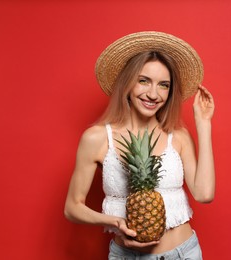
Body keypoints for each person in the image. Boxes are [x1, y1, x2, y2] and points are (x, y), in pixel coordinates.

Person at [64, 31, 215, 260]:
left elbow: (204, 194)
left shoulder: (178, 136)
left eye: (163, 85)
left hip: (184, 254)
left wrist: (203, 124)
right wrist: (116, 222)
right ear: (128, 83)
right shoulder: (97, 138)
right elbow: (72, 207)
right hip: (126, 255)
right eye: (143, 81)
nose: (153, 94)